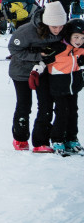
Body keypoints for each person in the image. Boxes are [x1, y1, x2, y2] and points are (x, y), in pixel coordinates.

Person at [11, 0, 67, 151]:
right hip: (22, 71)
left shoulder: (63, 31)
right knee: (24, 104)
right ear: (46, 22)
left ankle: (41, 141)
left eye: (61, 26)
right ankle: (20, 138)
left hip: (44, 71)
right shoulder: (26, 31)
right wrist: (38, 55)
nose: (58, 30)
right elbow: (14, 49)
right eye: (54, 27)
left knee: (46, 104)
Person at [44, 19, 84, 153]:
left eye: (82, 38)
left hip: (73, 87)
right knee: (62, 112)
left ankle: (71, 138)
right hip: (59, 87)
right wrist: (36, 70)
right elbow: (43, 59)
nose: (79, 41)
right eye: (76, 37)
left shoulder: (80, 50)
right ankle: (57, 139)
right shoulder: (58, 48)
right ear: (69, 35)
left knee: (73, 112)